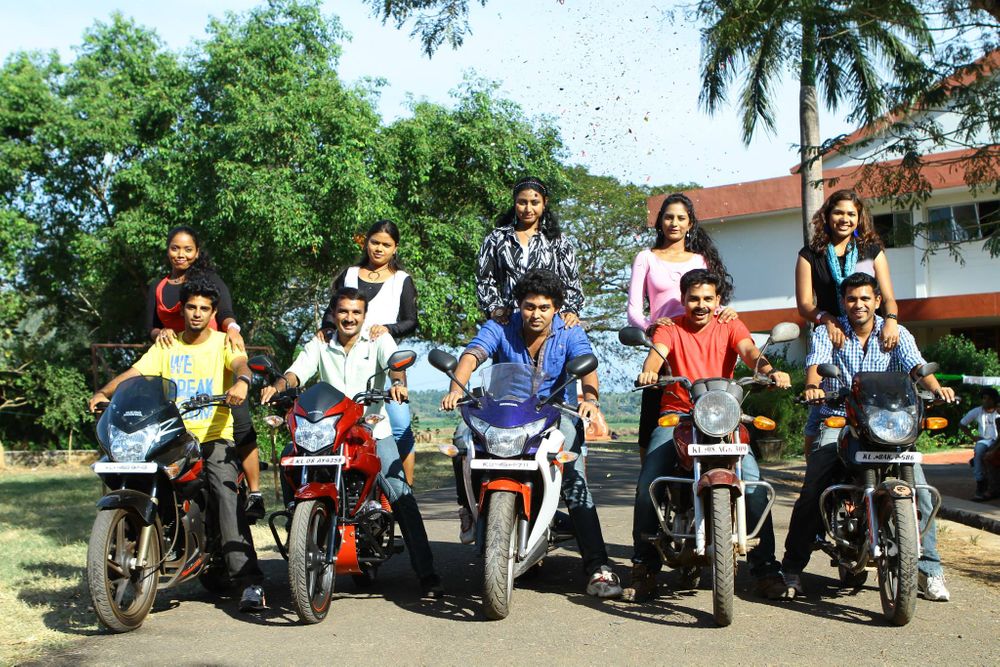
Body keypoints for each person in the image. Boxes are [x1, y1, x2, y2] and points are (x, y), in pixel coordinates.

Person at [440, 269, 623, 599]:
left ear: (556, 308)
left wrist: (591, 400)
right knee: (462, 439)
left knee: (573, 479)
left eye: (544, 307)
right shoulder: (500, 325)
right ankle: (467, 508)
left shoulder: (569, 331)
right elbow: (473, 353)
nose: (535, 314)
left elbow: (587, 364)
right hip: (503, 411)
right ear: (519, 305)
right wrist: (456, 388)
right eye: (529, 306)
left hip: (555, 413)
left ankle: (598, 566)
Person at [91, 278, 266, 612]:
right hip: (170, 435)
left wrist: (243, 381)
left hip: (212, 436)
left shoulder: (223, 342)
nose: (197, 313)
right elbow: (135, 373)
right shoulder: (167, 345)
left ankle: (250, 582)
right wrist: (104, 392)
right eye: (191, 307)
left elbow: (240, 364)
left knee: (225, 493)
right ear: (181, 310)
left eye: (204, 308)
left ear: (213, 312)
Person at [782, 272, 956, 602]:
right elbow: (816, 364)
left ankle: (930, 570)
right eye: (851, 299)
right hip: (839, 420)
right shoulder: (828, 331)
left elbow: (916, 367)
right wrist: (813, 387)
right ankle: (791, 568)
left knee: (922, 493)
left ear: (877, 301)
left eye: (865, 298)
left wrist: (937, 389)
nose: (858, 304)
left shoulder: (895, 332)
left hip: (887, 424)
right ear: (843, 302)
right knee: (814, 488)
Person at [261, 287, 443, 598]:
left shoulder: (378, 339)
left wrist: (397, 384)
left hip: (371, 430)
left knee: (400, 492)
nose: (349, 317)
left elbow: (395, 367)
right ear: (333, 314)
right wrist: (277, 387)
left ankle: (427, 574)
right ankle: (298, 527)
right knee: (289, 457)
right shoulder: (321, 343)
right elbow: (296, 372)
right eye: (343, 311)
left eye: (356, 312)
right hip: (327, 433)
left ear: (364, 315)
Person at [625, 268, 791, 602]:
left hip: (724, 416)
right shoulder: (671, 328)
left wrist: (770, 371)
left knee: (754, 486)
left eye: (708, 299)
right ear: (683, 299)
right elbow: (657, 354)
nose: (701, 305)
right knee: (648, 484)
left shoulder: (730, 324)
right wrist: (649, 372)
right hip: (679, 416)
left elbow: (749, 352)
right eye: (694, 298)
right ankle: (644, 568)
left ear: (718, 301)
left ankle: (766, 570)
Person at [146, 226, 265, 521]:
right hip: (176, 365)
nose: (181, 254)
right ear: (167, 250)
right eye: (175, 248)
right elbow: (149, 326)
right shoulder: (158, 286)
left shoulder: (209, 280)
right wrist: (160, 333)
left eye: (188, 249)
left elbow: (226, 313)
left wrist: (233, 330)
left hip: (213, 363)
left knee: (240, 425)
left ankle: (255, 491)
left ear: (197, 252)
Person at [626, 192, 738, 463]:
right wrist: (651, 326)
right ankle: (651, 480)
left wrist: (727, 312)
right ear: (660, 222)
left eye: (680, 218)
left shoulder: (700, 259)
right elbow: (633, 311)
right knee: (651, 430)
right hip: (663, 347)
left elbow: (710, 300)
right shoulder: (646, 257)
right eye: (668, 217)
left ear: (690, 223)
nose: (674, 223)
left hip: (698, 345)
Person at [795, 190, 901, 458]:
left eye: (851, 214)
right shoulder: (810, 255)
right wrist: (826, 319)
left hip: (871, 335)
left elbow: (888, 298)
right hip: (831, 338)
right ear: (827, 216)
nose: (844, 219)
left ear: (859, 218)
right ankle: (815, 475)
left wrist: (891, 321)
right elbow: (805, 304)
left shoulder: (871, 252)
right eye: (838, 212)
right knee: (819, 414)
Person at [319, 220, 419, 485]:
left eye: (386, 245)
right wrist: (326, 329)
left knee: (399, 425)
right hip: (348, 356)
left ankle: (403, 489)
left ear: (395, 248)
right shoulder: (350, 274)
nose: (379, 249)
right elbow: (331, 311)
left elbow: (411, 321)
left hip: (386, 359)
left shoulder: (401, 280)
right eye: (375, 242)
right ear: (366, 243)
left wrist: (387, 328)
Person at [477, 176, 584, 328]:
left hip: (549, 323)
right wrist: (495, 308)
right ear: (515, 202)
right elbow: (484, 280)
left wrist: (569, 310)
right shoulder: (496, 239)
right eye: (522, 202)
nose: (528, 209)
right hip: (507, 322)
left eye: (534, 203)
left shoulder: (559, 241)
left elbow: (572, 283)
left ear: (544, 203)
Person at [960, 387, 1000, 501]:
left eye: (989, 399)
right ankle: (980, 483)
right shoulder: (977, 411)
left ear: (994, 400)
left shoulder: (998, 412)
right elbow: (962, 424)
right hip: (985, 440)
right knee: (979, 451)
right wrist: (972, 437)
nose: (985, 401)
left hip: (997, 441)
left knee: (990, 457)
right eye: (984, 398)